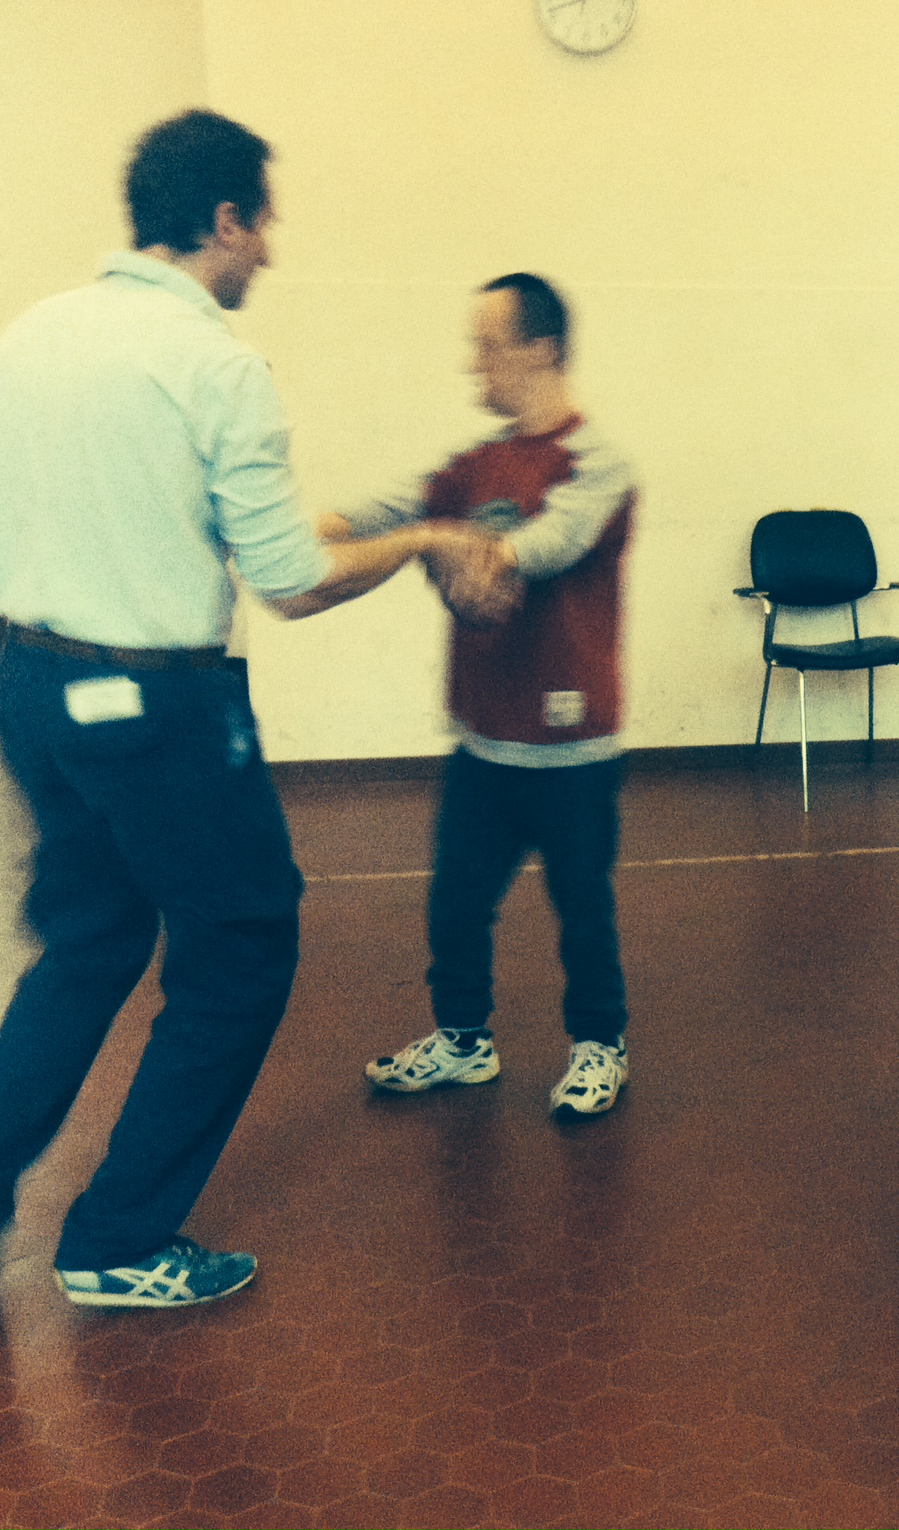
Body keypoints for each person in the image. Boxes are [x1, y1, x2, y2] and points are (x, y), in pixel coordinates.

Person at [0, 110, 500, 1313]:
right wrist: (429, 539)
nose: (269, 249)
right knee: (241, 944)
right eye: (262, 223)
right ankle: (118, 1238)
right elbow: (290, 581)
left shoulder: (32, 336)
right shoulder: (214, 365)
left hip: (29, 686)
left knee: (91, 939)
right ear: (223, 220)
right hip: (155, 706)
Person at [323, 273, 638, 1121]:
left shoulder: (599, 463)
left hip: (572, 750)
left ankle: (600, 1046)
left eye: (488, 347)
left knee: (583, 911)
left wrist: (475, 559)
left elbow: (549, 542)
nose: (475, 365)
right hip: (483, 744)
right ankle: (463, 1042)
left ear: (541, 349)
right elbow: (381, 511)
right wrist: (295, 534)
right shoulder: (471, 467)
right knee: (455, 905)